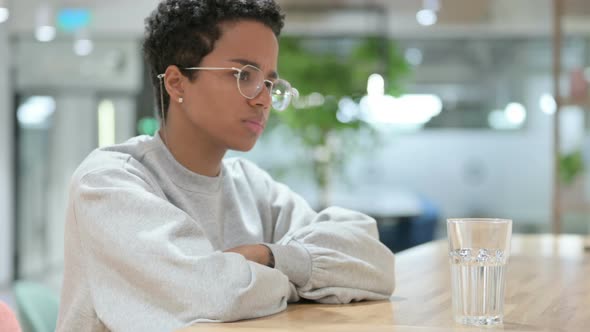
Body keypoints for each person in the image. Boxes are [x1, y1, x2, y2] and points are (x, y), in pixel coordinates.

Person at [56, 0, 395, 331]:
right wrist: (301, 280)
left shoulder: (251, 185)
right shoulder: (108, 182)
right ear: (176, 83)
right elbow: (215, 295)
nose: (263, 99)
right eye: (244, 75)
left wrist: (268, 257)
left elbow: (375, 264)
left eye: (269, 83)